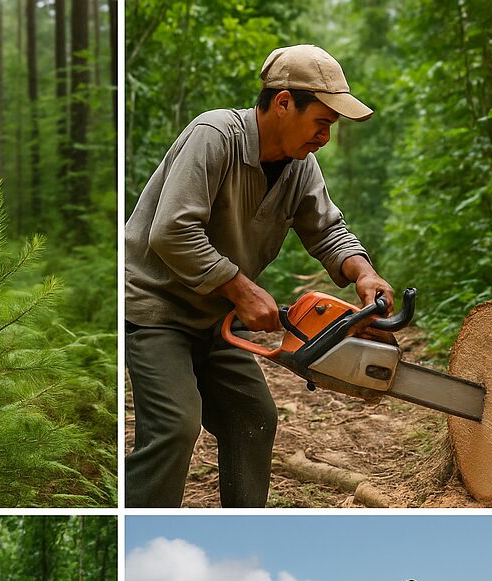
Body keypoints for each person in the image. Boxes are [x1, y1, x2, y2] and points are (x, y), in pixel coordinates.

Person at [125, 44, 395, 507]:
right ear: (285, 102)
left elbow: (328, 230)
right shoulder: (214, 136)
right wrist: (243, 289)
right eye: (322, 123)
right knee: (175, 426)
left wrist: (364, 273)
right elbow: (170, 231)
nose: (325, 138)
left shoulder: (301, 168)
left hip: (216, 318)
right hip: (156, 310)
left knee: (253, 414)